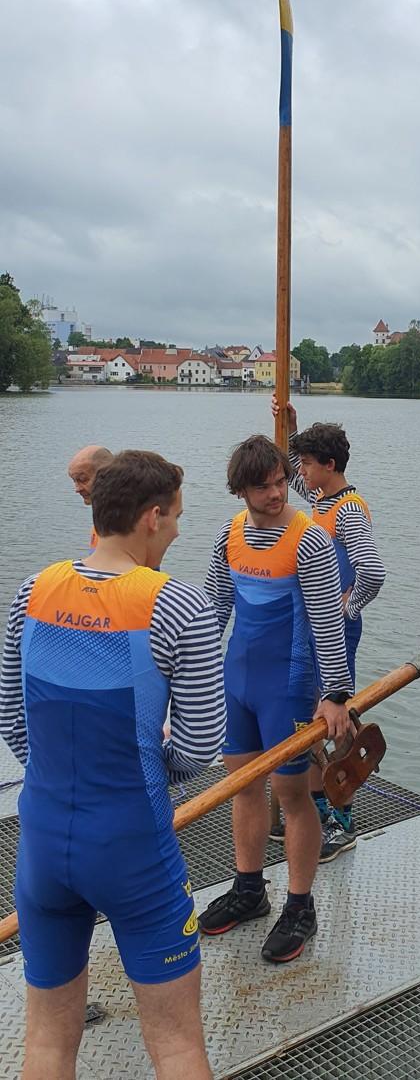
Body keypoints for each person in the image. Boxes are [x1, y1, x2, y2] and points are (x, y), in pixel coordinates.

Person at [0, 450, 226, 1080]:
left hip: (43, 838)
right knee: (177, 1046)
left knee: (46, 1041)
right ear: (152, 517)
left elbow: (13, 720)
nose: (177, 531)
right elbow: (201, 743)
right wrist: (146, 768)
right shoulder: (181, 605)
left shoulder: (32, 590)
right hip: (131, 844)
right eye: (176, 517)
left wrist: (65, 772)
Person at [199, 433, 353, 962]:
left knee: (291, 795)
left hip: (288, 686)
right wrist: (192, 681)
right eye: (263, 487)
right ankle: (249, 890)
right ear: (240, 490)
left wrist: (335, 694)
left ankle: (300, 905)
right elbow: (214, 612)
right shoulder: (229, 534)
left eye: (281, 482)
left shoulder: (309, 540)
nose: (276, 494)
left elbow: (328, 623)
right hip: (237, 680)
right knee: (242, 786)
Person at [272, 397, 385, 860]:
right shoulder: (323, 498)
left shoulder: (349, 509)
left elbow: (372, 570)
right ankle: (318, 811)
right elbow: (289, 477)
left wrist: (347, 608)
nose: (300, 470)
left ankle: (343, 819)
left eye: (307, 462)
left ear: (330, 465)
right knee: (313, 716)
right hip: (313, 627)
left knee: (334, 718)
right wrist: (289, 427)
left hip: (334, 630)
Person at [67, 444, 112, 547]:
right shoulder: (101, 518)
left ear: (107, 475)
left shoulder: (128, 523)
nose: (77, 489)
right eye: (74, 481)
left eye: (83, 479)